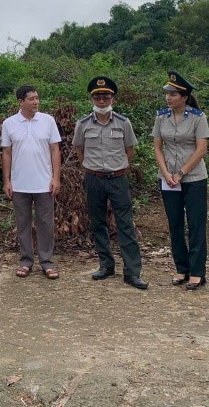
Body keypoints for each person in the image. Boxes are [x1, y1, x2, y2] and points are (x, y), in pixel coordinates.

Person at [73, 76, 148, 290]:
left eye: (105, 96)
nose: (101, 100)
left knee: (125, 225)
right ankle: (106, 265)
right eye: (97, 97)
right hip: (94, 179)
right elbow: (79, 149)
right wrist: (90, 168)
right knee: (98, 224)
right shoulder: (83, 124)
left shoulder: (124, 123)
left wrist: (120, 168)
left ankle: (132, 272)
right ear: (92, 99)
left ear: (112, 98)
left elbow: (129, 150)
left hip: (118, 179)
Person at [151, 71, 209, 291]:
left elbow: (201, 149)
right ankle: (181, 268)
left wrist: (181, 173)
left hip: (194, 178)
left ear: (184, 97)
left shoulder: (198, 117)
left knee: (195, 224)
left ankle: (197, 272)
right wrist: (166, 173)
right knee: (174, 224)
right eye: (167, 93)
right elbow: (158, 147)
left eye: (174, 94)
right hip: (168, 179)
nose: (169, 97)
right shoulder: (161, 117)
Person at [0, 85, 61, 280]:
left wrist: (56, 178)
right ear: (21, 101)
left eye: (37, 98)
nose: (36, 102)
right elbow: (6, 152)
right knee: (23, 223)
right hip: (20, 183)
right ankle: (26, 261)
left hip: (44, 183)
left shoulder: (47, 120)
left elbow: (55, 150)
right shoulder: (9, 123)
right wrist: (7, 180)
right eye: (31, 99)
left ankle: (47, 262)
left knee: (46, 223)